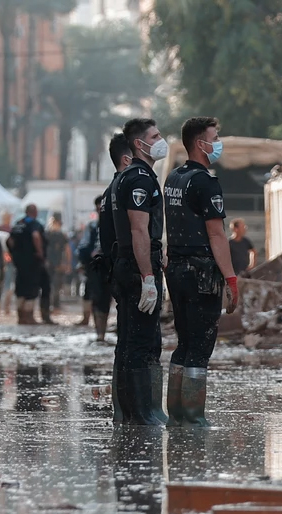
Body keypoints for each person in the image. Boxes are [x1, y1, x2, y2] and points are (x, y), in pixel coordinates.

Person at [162, 115, 238, 426]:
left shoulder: (173, 179)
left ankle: (176, 414)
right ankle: (193, 416)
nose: (218, 143)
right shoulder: (205, 182)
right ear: (200, 143)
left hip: (176, 269)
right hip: (201, 272)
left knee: (184, 341)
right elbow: (217, 234)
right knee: (201, 344)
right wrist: (231, 279)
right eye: (214, 137)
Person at [112, 116, 169, 425]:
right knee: (141, 342)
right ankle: (141, 413)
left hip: (127, 264)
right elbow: (139, 231)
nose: (161, 141)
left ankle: (133, 412)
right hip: (136, 269)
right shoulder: (139, 178)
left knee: (130, 341)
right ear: (139, 143)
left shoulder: (128, 176)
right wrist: (148, 277)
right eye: (155, 135)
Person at [88, 132, 132, 348]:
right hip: (110, 262)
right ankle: (100, 335)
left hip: (111, 261)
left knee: (116, 302)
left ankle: (110, 334)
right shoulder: (121, 190)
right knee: (102, 301)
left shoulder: (111, 191)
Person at [7, 205, 47, 325]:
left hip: (19, 263)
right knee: (32, 288)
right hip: (32, 261)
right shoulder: (34, 224)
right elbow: (36, 236)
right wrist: (40, 252)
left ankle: (20, 317)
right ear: (35, 212)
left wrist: (14, 253)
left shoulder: (18, 224)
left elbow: (9, 240)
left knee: (20, 288)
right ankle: (29, 317)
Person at [44, 214, 69, 316]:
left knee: (57, 286)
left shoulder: (61, 236)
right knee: (48, 286)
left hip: (58, 264)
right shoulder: (46, 234)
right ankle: (48, 306)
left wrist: (66, 263)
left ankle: (55, 306)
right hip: (48, 263)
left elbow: (67, 250)